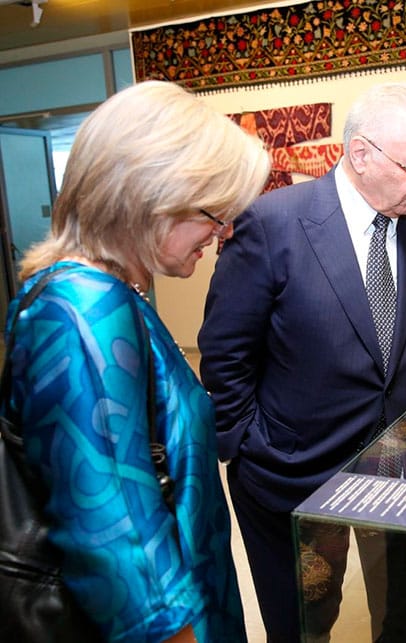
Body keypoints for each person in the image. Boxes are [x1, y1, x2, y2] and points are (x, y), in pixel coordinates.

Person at [198, 82, 406, 642]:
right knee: (306, 620)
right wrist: (251, 447)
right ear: (360, 155)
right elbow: (225, 353)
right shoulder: (273, 223)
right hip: (294, 472)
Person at [2, 80, 271, 641]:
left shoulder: (113, 292)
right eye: (213, 214)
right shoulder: (84, 306)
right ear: (151, 196)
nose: (222, 233)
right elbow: (111, 527)